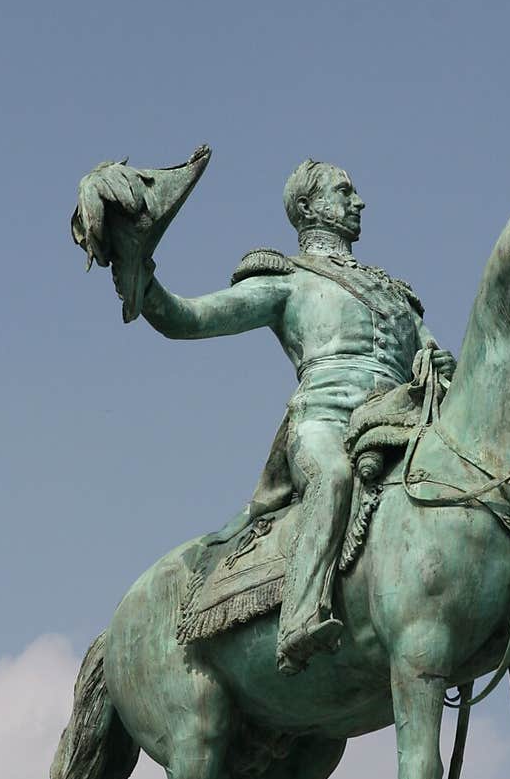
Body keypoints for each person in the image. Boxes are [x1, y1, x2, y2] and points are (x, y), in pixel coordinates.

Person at [128, 159, 456, 673]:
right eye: (345, 191)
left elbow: (440, 357)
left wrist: (440, 363)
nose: (359, 201)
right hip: (325, 421)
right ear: (307, 207)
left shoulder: (394, 294)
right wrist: (142, 278)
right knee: (333, 476)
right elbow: (189, 318)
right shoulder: (287, 279)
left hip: (403, 417)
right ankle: (301, 617)